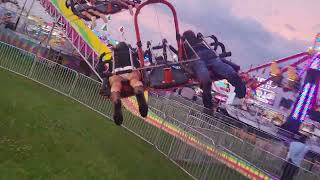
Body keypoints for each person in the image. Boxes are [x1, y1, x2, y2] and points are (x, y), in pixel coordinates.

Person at [182, 30, 246, 112]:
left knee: (225, 74)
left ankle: (209, 106)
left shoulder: (194, 43)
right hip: (202, 58)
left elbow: (184, 59)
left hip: (205, 57)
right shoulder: (188, 45)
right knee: (213, 78)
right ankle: (209, 106)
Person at [97, 42, 148, 125]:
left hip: (116, 71)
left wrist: (101, 60)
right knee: (134, 80)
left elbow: (104, 70)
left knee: (115, 84)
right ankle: (138, 90)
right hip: (130, 69)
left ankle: (116, 100)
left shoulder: (112, 57)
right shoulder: (131, 55)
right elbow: (140, 60)